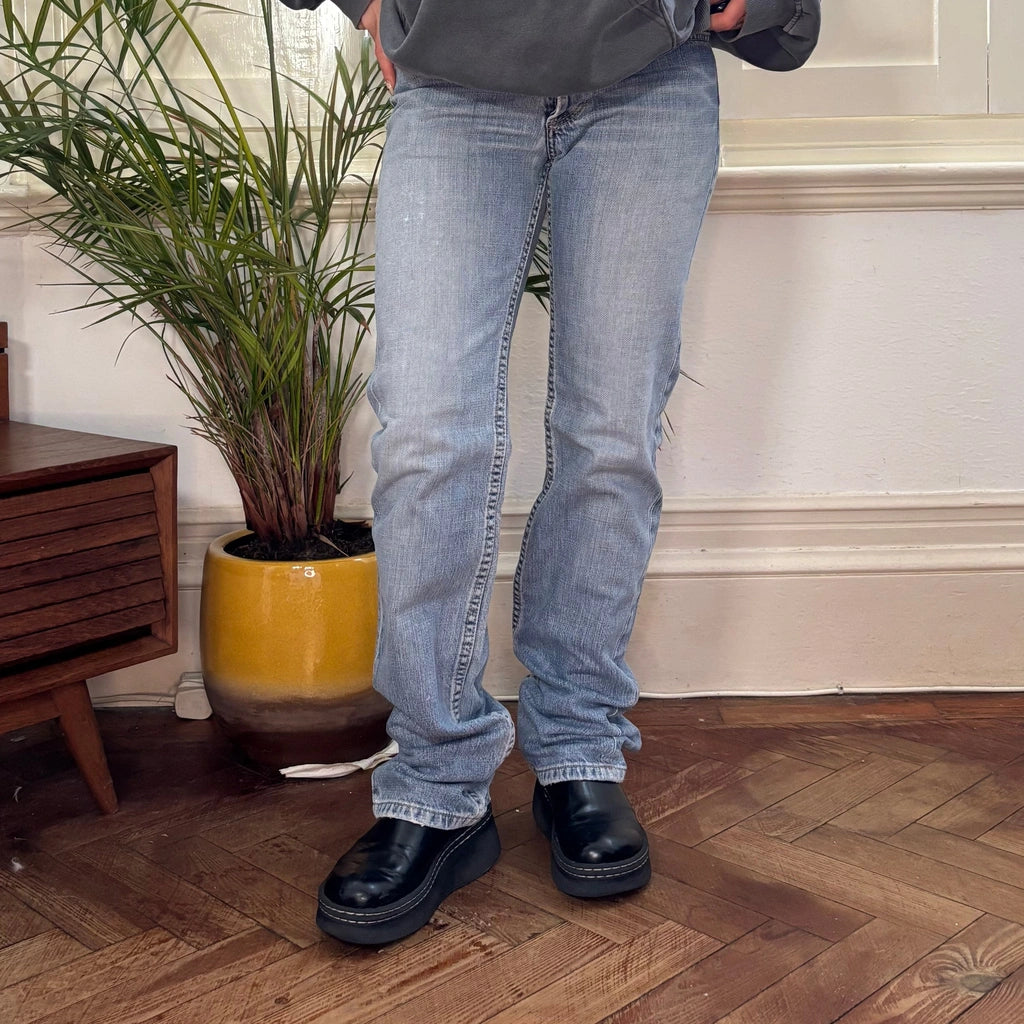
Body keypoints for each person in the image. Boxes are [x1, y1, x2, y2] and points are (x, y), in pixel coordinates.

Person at [278, 0, 821, 945]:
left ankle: (578, 748)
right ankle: (437, 781)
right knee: (427, 439)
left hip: (649, 85)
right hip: (453, 84)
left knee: (611, 434)